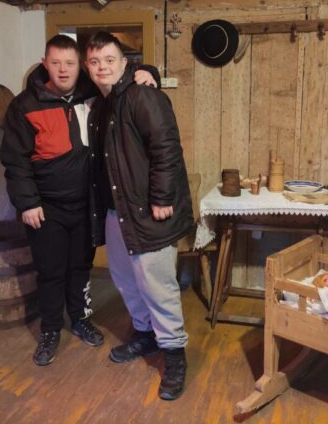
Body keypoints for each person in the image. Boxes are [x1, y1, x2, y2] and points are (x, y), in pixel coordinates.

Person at [0, 34, 158, 367]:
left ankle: (80, 319)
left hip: (87, 203)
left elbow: (121, 76)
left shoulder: (94, 94)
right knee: (51, 271)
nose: (63, 70)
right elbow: (15, 160)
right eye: (56, 63)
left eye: (70, 63)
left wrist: (150, 72)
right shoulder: (24, 106)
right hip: (46, 207)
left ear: (80, 66)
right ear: (44, 64)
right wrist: (27, 202)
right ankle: (50, 330)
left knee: (80, 267)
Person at [85, 31, 193, 400]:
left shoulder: (143, 95)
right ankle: (145, 335)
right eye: (95, 62)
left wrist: (162, 197)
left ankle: (175, 356)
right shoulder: (102, 104)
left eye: (109, 60)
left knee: (157, 285)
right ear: (88, 67)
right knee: (125, 279)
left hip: (148, 211)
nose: (102, 67)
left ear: (124, 63)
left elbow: (166, 147)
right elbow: (48, 78)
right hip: (116, 211)